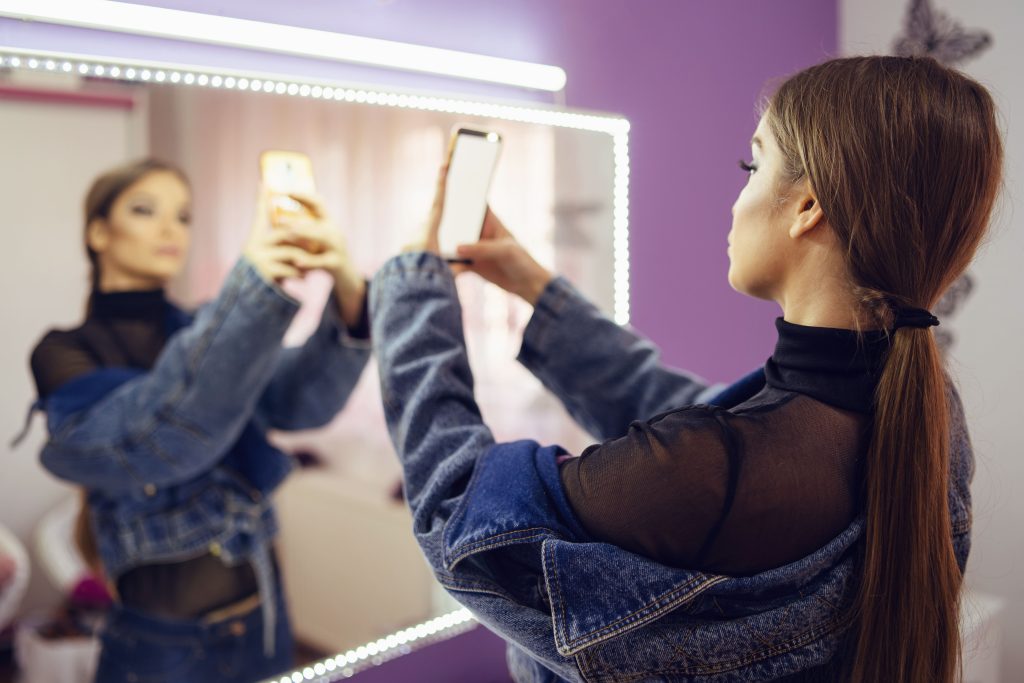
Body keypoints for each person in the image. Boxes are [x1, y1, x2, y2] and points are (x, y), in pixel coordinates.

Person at [368, 56, 1002, 682]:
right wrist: (536, 288)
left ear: (808, 204)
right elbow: (697, 414)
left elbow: (462, 519)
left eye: (752, 166)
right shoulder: (923, 414)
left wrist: (410, 287)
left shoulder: (717, 469)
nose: (736, 199)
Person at [28, 159, 370, 683]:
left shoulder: (207, 328)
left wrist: (349, 293)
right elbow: (159, 436)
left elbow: (302, 400)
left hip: (266, 620)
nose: (171, 229)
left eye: (184, 217)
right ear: (99, 232)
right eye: (146, 211)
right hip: (161, 650)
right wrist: (252, 290)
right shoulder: (64, 353)